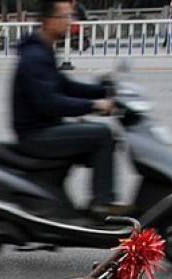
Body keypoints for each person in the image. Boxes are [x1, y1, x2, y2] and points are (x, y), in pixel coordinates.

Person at [12, 0, 117, 214]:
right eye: (66, 17)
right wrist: (94, 105)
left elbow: (64, 85)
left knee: (91, 133)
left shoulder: (43, 49)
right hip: (36, 135)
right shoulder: (35, 56)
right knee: (102, 135)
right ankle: (102, 203)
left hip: (44, 127)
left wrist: (103, 91)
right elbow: (50, 102)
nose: (71, 22)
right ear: (49, 20)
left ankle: (62, 200)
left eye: (72, 16)